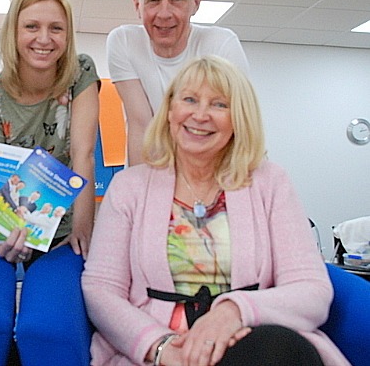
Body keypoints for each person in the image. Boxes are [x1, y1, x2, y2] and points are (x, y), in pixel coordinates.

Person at [82, 56, 349, 366]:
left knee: (278, 348)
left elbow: (311, 291)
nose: (201, 115)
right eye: (190, 100)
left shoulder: (271, 182)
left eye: (219, 105)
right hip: (159, 352)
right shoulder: (129, 187)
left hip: (252, 344)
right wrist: (161, 347)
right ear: (170, 111)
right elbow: (101, 290)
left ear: (239, 118)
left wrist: (232, 312)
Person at [0, 0, 99, 365]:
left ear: (68, 34)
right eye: (31, 26)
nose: (43, 39)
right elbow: (1, 186)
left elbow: (82, 152)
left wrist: (83, 230)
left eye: (55, 28)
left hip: (60, 229)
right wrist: (10, 237)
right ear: (14, 31)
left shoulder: (81, 72)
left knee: (48, 326)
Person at [108, 0, 249, 166]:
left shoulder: (222, 45)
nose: (164, 14)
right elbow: (141, 125)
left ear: (196, 1)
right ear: (137, 4)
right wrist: (141, 194)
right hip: (151, 169)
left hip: (212, 175)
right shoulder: (123, 42)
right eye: (154, 0)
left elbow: (236, 127)